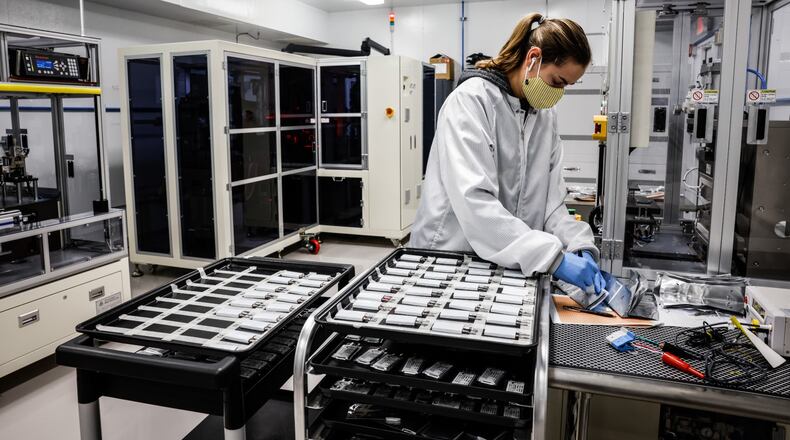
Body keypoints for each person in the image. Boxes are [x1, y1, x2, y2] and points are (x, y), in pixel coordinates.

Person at [410, 13, 604, 293]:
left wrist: (578, 243)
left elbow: (551, 204)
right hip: (449, 258)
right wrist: (553, 258)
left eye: (567, 87)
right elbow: (475, 203)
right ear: (533, 58)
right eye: (558, 81)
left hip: (504, 262)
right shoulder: (471, 102)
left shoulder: (544, 117)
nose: (559, 93)